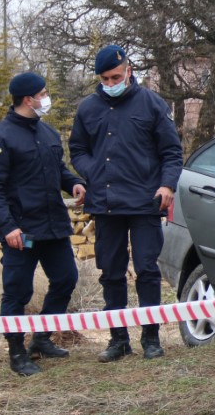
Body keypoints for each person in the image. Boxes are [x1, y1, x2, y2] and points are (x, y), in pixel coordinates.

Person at [70, 45, 183, 361]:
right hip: (105, 205)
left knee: (147, 270)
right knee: (111, 271)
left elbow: (172, 152)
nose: (110, 83)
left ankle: (151, 337)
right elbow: (77, 149)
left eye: (115, 76)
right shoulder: (88, 108)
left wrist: (167, 185)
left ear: (129, 71)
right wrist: (93, 171)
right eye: (105, 78)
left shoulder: (151, 104)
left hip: (146, 202)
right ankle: (118, 339)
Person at [0, 71, 86, 376]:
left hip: (53, 228)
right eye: (43, 93)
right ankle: (16, 353)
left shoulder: (49, 133)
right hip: (22, 234)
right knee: (17, 291)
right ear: (28, 99)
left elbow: (59, 171)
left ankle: (41, 339)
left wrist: (75, 184)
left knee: (66, 279)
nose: (46, 97)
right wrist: (8, 227)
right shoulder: (0, 137)